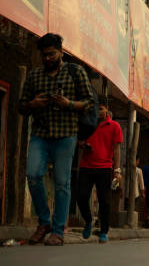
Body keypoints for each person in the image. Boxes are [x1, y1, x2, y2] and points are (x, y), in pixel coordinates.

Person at [19, 33, 95, 246]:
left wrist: (68, 104)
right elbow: (21, 106)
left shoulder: (75, 72)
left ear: (61, 52)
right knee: (33, 175)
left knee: (62, 183)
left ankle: (58, 230)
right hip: (40, 135)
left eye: (52, 54)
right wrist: (33, 104)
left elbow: (89, 102)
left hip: (66, 135)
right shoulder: (34, 76)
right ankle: (44, 222)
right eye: (44, 55)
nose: (48, 59)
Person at [77, 102, 123, 243]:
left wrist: (117, 170)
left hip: (104, 167)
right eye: (95, 108)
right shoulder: (87, 123)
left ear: (107, 109)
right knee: (81, 196)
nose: (98, 111)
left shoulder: (114, 126)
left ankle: (104, 232)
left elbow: (116, 149)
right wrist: (84, 145)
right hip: (86, 166)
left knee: (104, 201)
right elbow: (79, 141)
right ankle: (88, 221)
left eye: (101, 109)